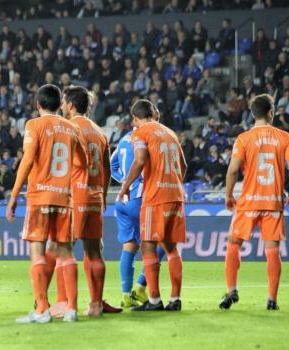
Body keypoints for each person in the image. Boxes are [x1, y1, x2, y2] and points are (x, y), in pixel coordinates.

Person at [6, 84, 87, 323]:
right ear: (58, 104)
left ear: (38, 105)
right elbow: (82, 162)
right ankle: (71, 309)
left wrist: (13, 196)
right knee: (66, 252)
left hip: (40, 197)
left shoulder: (34, 125)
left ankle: (42, 308)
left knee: (37, 250)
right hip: (64, 198)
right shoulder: (71, 127)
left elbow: (28, 160)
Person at [219, 94, 289, 311]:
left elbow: (233, 170)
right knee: (272, 250)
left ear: (252, 114)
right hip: (273, 201)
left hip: (249, 201)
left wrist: (228, 195)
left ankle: (231, 290)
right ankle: (272, 299)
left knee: (234, 244)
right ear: (271, 112)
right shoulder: (284, 137)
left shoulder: (244, 139)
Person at [47, 86, 118, 318]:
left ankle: (63, 301)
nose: (62, 106)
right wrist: (103, 195)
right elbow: (107, 169)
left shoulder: (68, 128)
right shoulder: (100, 132)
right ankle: (96, 304)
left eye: (65, 102)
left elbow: (61, 164)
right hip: (95, 196)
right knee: (94, 250)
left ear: (71, 105)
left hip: (73, 196)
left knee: (60, 247)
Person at [118, 99, 187, 312]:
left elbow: (139, 160)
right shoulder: (170, 133)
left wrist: (125, 186)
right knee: (171, 249)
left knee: (148, 245)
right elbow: (183, 165)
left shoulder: (140, 133)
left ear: (136, 119)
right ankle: (175, 299)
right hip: (175, 194)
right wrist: (173, 184)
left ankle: (155, 300)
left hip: (155, 196)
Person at [110, 107, 165, 308]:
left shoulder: (125, 139)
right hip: (140, 198)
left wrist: (124, 181)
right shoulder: (148, 137)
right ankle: (141, 287)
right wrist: (134, 183)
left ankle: (126, 294)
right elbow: (145, 162)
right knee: (161, 242)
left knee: (129, 246)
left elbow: (112, 165)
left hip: (121, 201)